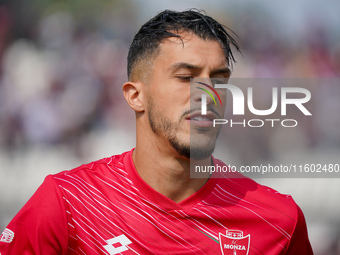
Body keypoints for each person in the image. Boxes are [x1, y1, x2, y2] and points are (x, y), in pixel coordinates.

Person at [0, 9, 313, 255]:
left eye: (219, 79)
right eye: (185, 76)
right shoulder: (67, 203)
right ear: (136, 95)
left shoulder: (278, 221)